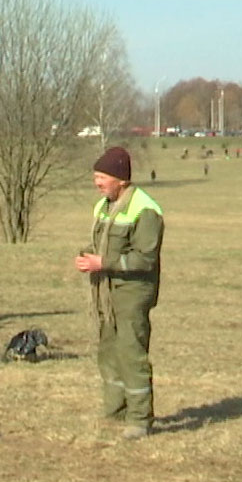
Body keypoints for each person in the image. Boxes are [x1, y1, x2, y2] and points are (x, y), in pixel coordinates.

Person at [74, 146, 164, 441]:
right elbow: (101, 244)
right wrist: (87, 257)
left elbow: (145, 258)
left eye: (102, 177)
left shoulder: (145, 210)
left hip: (132, 293)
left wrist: (105, 262)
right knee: (109, 352)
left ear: (121, 180)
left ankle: (140, 419)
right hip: (106, 291)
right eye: (96, 177)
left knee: (131, 352)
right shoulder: (103, 206)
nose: (97, 183)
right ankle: (115, 411)